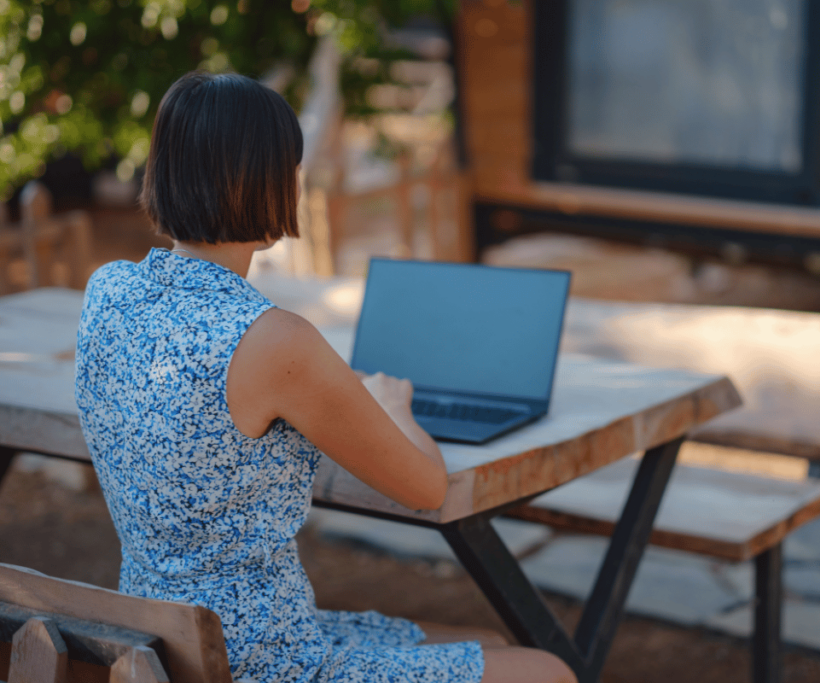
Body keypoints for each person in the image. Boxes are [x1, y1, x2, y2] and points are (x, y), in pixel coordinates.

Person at [75, 71, 576, 683]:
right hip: (264, 659)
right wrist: (393, 407)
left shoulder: (108, 291)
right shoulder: (271, 339)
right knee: (549, 671)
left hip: (160, 639)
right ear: (265, 182)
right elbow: (424, 488)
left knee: (484, 638)